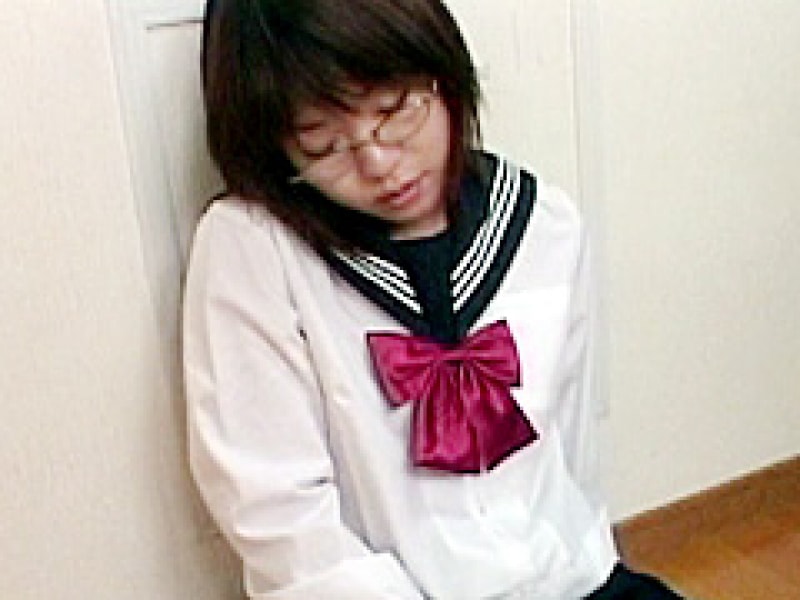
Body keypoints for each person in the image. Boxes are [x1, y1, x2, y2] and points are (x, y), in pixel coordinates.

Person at [184, 1, 684, 598]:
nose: (378, 163)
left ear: (442, 75)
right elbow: (279, 515)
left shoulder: (544, 223)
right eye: (322, 145)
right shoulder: (256, 250)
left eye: (395, 111)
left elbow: (572, 460)